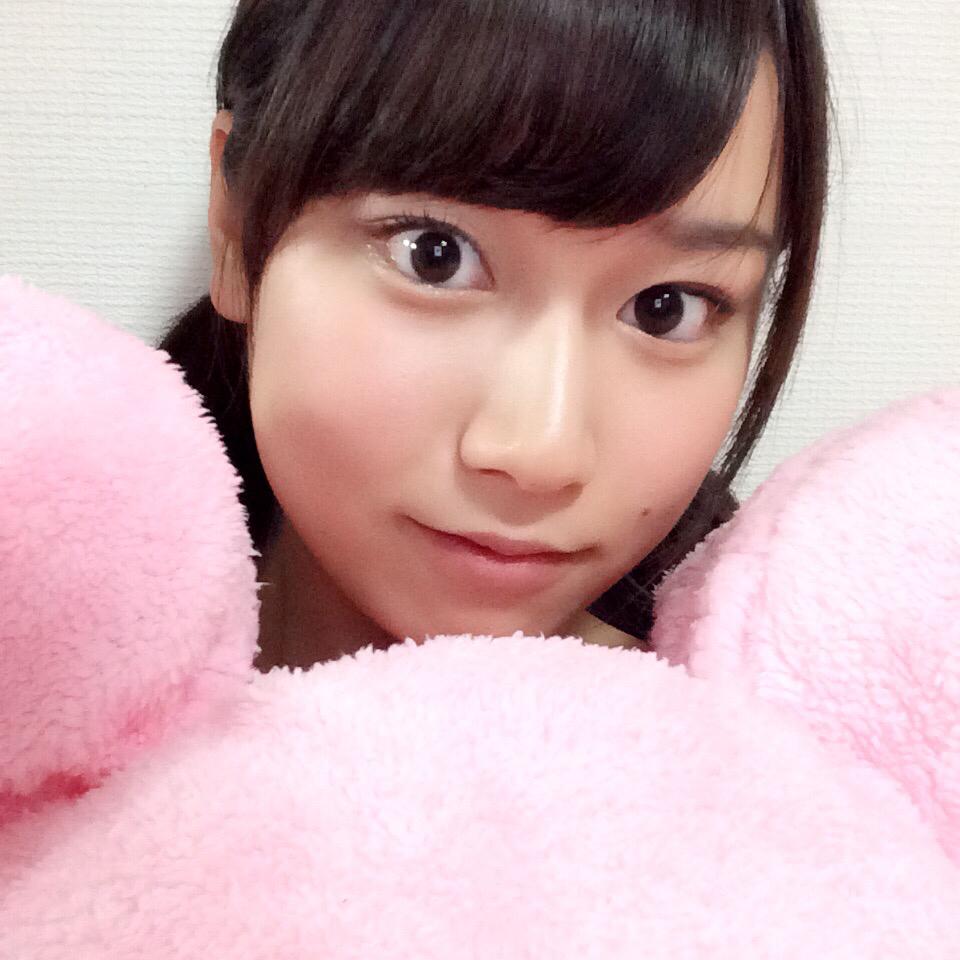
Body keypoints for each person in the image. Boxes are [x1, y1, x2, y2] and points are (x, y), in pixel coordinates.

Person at [159, 0, 828, 670]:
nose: (541, 453)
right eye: (435, 256)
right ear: (235, 224)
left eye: (665, 308)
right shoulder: (103, 651)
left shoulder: (766, 693)